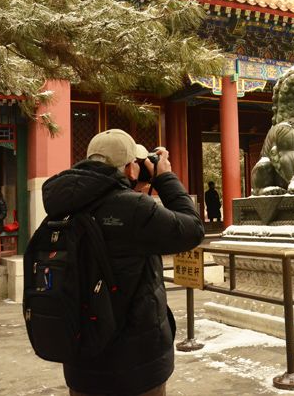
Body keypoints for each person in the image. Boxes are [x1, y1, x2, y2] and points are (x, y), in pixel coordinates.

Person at [41, 128, 204, 396]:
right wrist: (165, 177)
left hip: (81, 360)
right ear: (130, 169)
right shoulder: (134, 209)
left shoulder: (64, 204)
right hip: (136, 366)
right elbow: (192, 230)